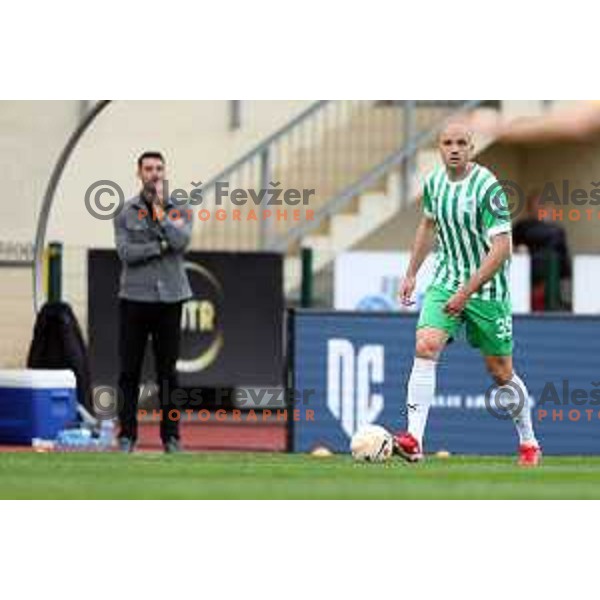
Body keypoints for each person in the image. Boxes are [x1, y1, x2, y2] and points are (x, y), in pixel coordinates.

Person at [395, 122, 541, 466]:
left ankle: (529, 441)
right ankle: (414, 439)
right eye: (448, 143)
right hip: (446, 279)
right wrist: (412, 273)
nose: (455, 148)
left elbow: (502, 248)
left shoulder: (488, 187)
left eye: (462, 142)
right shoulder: (434, 183)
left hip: (487, 289)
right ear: (439, 148)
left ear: (472, 148)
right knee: (425, 345)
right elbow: (427, 225)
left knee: (500, 371)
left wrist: (467, 292)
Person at [113, 151, 193, 453]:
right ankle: (127, 435)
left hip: (170, 299)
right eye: (148, 168)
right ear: (139, 173)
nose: (154, 173)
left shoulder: (180, 208)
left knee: (168, 373)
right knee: (128, 371)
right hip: (134, 298)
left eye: (159, 168)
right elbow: (126, 254)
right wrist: (159, 246)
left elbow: (181, 242)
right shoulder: (125, 212)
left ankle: (171, 437)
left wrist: (161, 213)